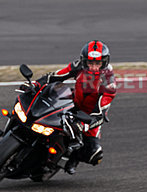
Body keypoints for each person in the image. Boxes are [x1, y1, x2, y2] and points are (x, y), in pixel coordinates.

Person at [35, 41, 116, 174]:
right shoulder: (78, 66)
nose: (94, 67)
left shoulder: (108, 78)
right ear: (84, 61)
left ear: (104, 62)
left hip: (92, 114)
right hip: (72, 104)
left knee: (94, 153)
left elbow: (105, 100)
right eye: (91, 63)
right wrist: (37, 84)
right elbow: (58, 75)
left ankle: (74, 158)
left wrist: (91, 120)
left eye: (98, 63)